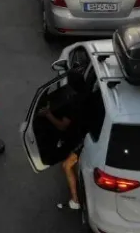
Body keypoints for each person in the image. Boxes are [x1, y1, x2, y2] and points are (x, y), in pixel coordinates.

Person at [38, 69, 90, 212]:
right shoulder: (88, 94)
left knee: (67, 166)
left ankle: (75, 200)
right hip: (86, 133)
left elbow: (62, 126)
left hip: (82, 139)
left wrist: (48, 114)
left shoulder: (74, 103)